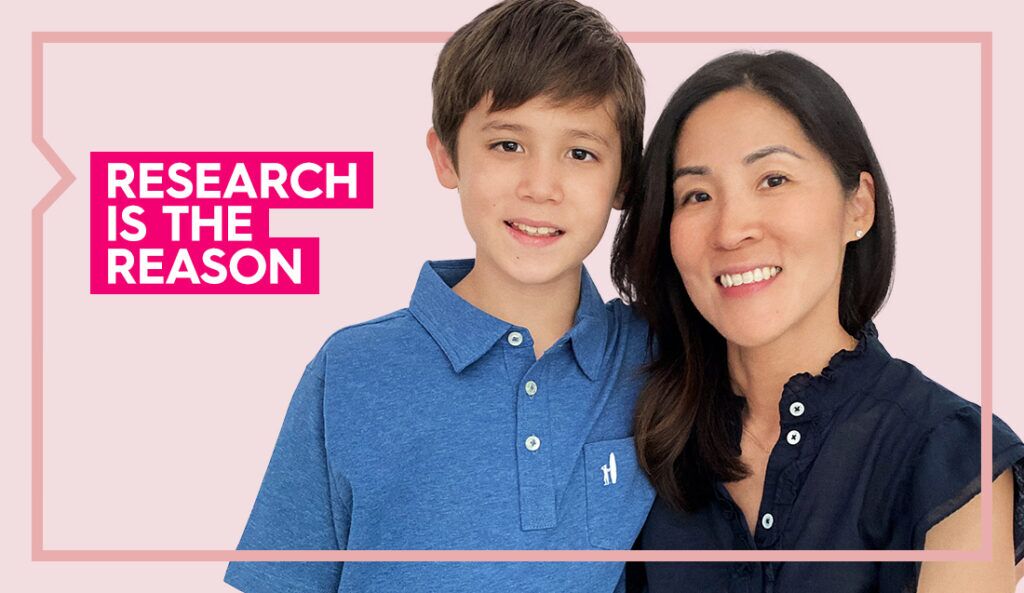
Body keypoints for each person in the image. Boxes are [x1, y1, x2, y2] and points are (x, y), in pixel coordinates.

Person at [224, 1, 654, 592]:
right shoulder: (350, 371)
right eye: (508, 145)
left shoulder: (654, 359)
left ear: (624, 180)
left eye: (580, 153)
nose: (541, 187)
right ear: (446, 157)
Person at [611, 50, 1024, 592]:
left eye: (773, 179)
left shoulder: (952, 458)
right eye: (698, 195)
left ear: (859, 207)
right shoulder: (631, 431)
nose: (731, 229)